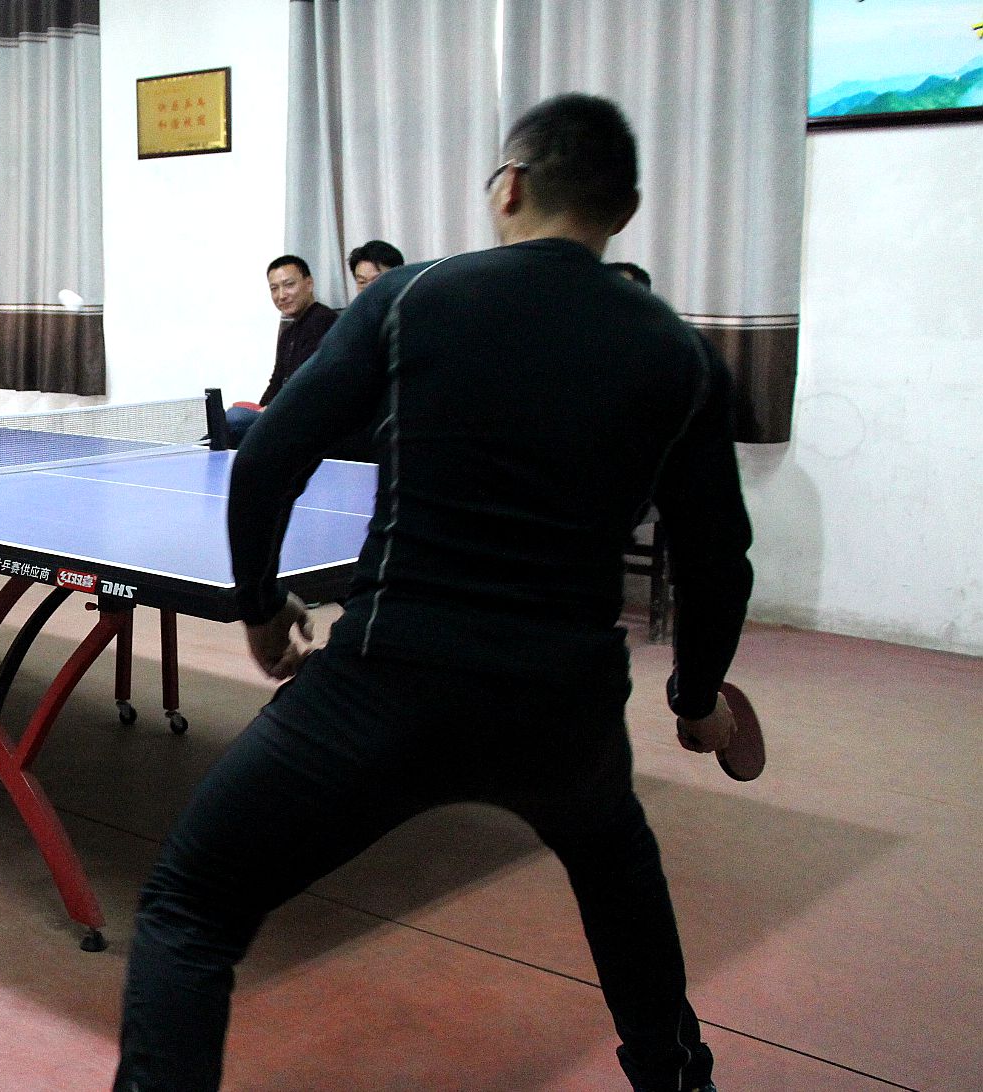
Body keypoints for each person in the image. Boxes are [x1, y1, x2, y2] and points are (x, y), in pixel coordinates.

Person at [115, 93, 752, 1092]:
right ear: (623, 212)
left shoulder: (412, 298)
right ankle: (681, 1081)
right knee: (621, 886)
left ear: (510, 187)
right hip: (563, 708)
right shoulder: (680, 355)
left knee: (190, 908)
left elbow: (268, 458)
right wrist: (695, 695)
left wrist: (261, 606)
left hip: (385, 682)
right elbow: (721, 559)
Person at [224, 255, 338, 445]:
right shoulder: (289, 332)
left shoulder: (322, 320)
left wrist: (268, 410)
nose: (281, 295)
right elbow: (277, 380)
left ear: (309, 284)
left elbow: (306, 382)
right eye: (274, 288)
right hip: (283, 414)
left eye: (289, 285)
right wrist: (260, 408)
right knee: (225, 421)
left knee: (233, 418)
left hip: (306, 417)